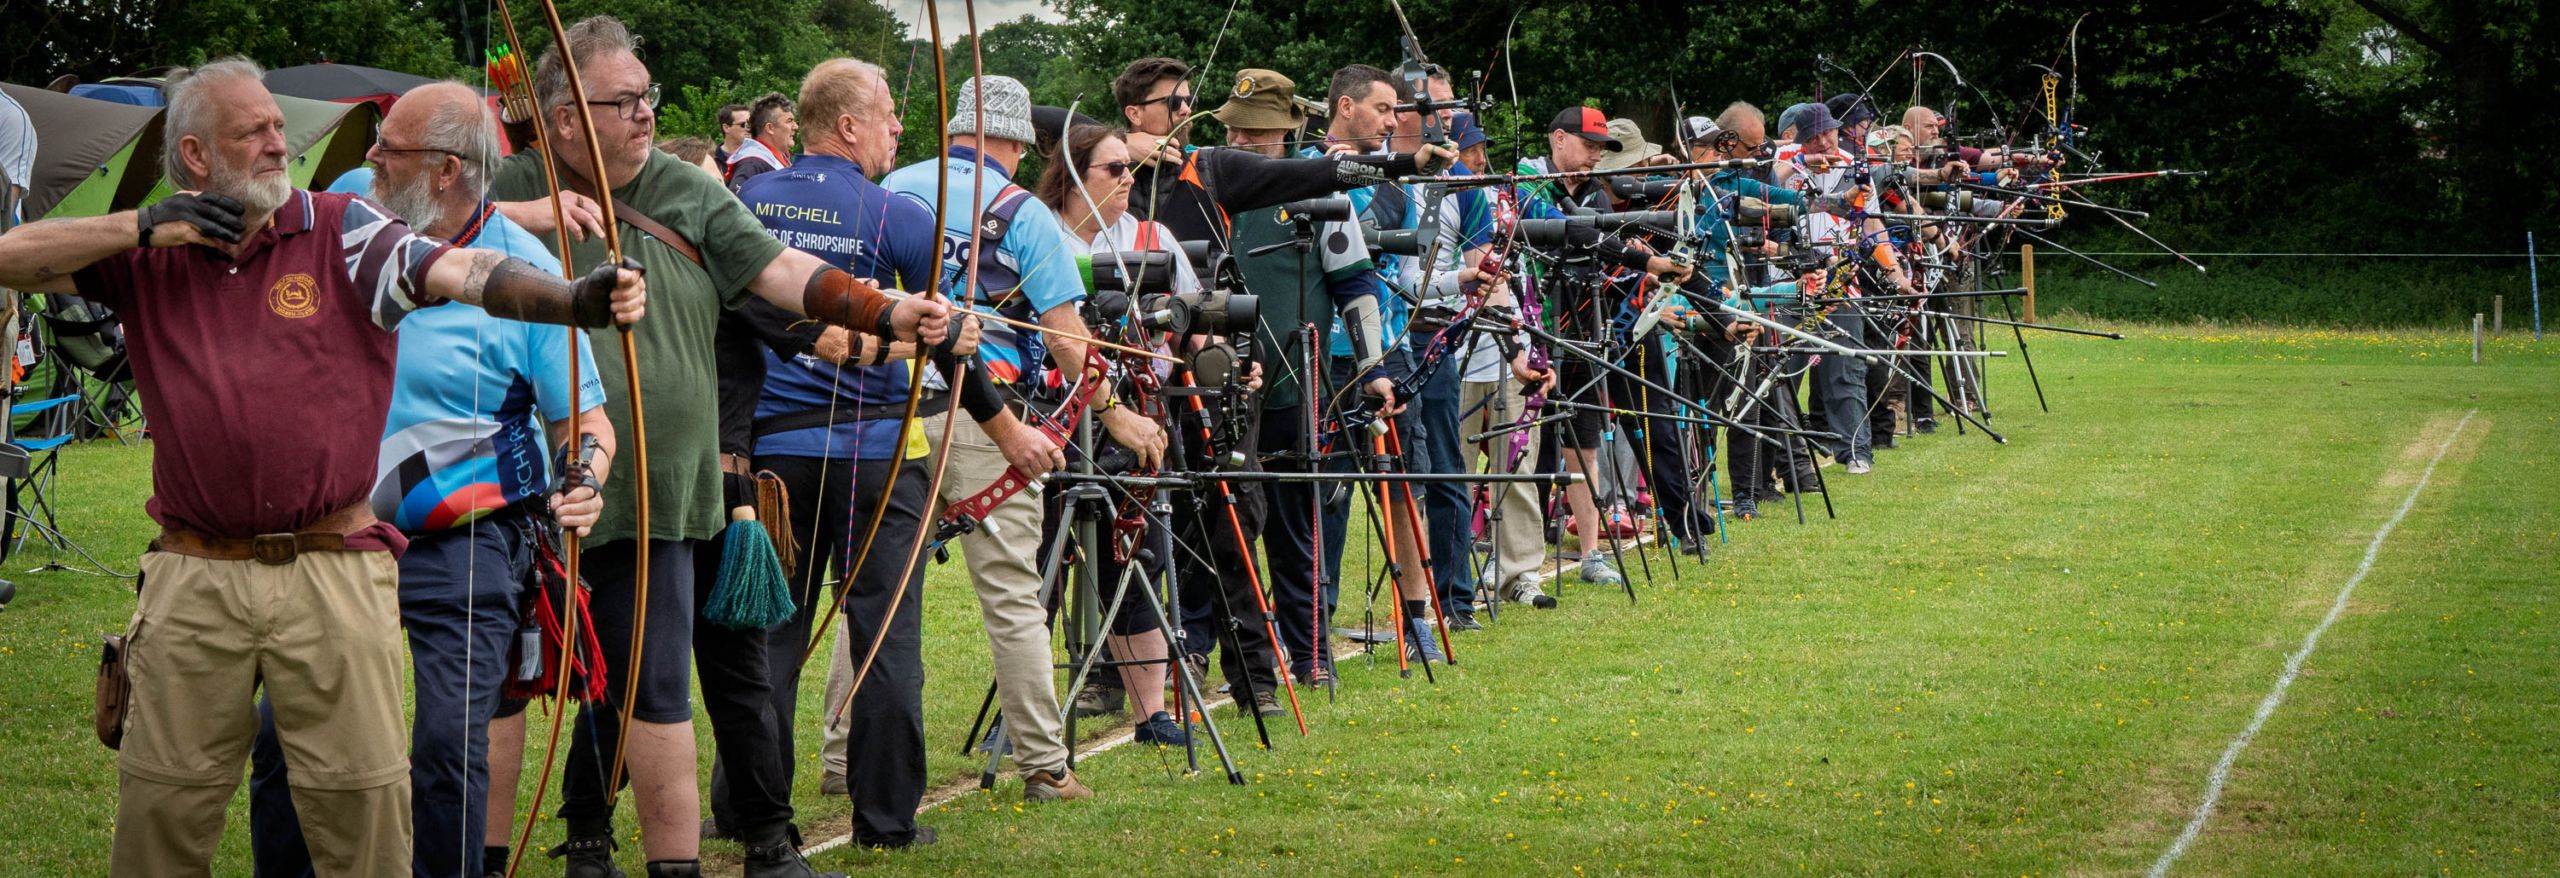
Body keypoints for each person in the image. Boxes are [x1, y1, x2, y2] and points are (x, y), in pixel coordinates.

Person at [0, 57, 647, 877]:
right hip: (195, 573)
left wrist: (571, 300)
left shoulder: (343, 226)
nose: (281, 145)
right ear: (196, 157)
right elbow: (11, 254)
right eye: (256, 133)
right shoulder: (150, 251)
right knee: (163, 806)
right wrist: (142, 226)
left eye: (279, 126)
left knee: (364, 811)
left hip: (333, 567)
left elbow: (463, 270)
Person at [485, 17, 950, 876]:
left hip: (672, 490)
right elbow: (389, 220)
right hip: (523, 491)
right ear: (558, 117)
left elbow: (781, 274)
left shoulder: (689, 192)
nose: (645, 114)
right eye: (622, 102)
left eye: (647, 97)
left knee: (658, 685)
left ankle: (745, 849)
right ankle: (558, 843)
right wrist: (514, 213)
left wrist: (883, 311)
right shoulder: (501, 183)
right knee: (519, 686)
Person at [230, 82, 612, 878]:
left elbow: (585, 423)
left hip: (468, 544)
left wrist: (584, 477)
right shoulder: (346, 210)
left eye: (388, 147)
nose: (367, 155)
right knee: (286, 736)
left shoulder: (528, 274)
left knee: (446, 743)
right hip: (338, 537)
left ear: (444, 170)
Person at [882, 73, 1125, 802]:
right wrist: (1118, 413)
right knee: (1014, 593)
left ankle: (839, 760)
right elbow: (1065, 337)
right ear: (1017, 143)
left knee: (880, 590)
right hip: (985, 420)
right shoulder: (1021, 210)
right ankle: (1046, 765)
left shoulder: (893, 184)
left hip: (889, 407)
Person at [1033, 122, 1200, 742]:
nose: (1130, 180)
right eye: (1115, 169)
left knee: (1139, 556)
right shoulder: (1037, 230)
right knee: (1041, 564)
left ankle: (1151, 713)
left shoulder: (1152, 237)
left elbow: (1193, 317)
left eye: (1132, 168)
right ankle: (1031, 718)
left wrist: (1216, 354)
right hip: (1049, 418)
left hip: (1137, 416)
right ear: (1074, 175)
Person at [726, 92, 797, 192]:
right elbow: (736, 203)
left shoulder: (780, 158)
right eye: (789, 121)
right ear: (770, 128)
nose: (795, 127)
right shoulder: (751, 163)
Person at [713, 102, 749, 166]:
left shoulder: (759, 156)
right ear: (726, 128)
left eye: (751, 124)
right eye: (743, 125)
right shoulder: (711, 159)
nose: (749, 128)